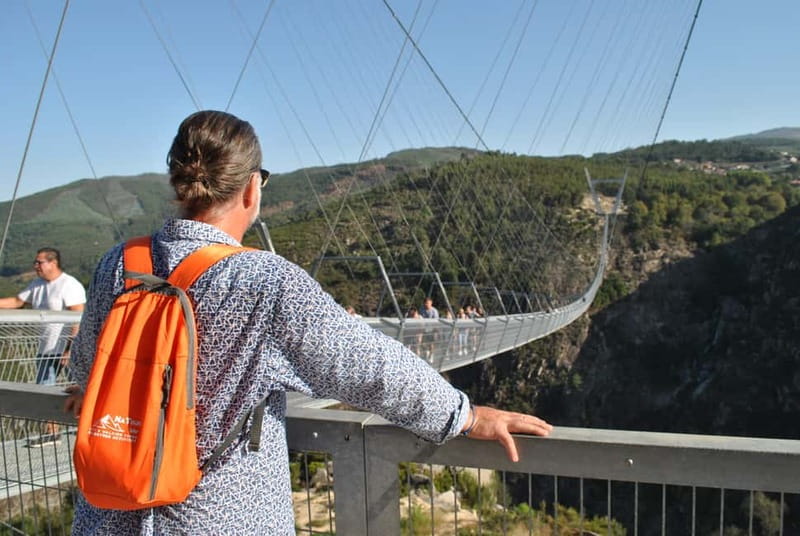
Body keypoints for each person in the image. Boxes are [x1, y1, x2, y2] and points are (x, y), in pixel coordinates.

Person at [64, 110, 552, 534]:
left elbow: (89, 365)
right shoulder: (265, 280)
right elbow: (369, 367)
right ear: (252, 187)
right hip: (219, 516)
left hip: (110, 512)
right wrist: (463, 415)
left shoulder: (120, 264)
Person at [0, 247, 86, 446]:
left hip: (68, 349)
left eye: (39, 262)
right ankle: (52, 433)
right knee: (45, 390)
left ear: (53, 263)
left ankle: (85, 428)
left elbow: (78, 318)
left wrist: (71, 349)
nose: (35, 266)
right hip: (46, 349)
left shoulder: (69, 285)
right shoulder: (37, 284)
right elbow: (16, 301)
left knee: (81, 389)